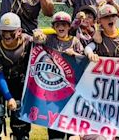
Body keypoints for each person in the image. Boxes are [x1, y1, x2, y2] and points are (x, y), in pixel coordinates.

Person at [34, 11, 84, 139]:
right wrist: (37, 35)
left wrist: (75, 55)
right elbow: (36, 41)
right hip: (54, 89)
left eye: (64, 24)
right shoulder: (49, 39)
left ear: (69, 26)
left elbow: (84, 62)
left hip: (72, 89)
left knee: (73, 129)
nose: (61, 27)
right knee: (55, 126)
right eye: (57, 25)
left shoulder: (75, 41)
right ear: (53, 27)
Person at [0, 12, 32, 140]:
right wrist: (8, 97)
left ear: (19, 31)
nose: (6, 34)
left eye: (10, 31)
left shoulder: (28, 42)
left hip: (18, 81)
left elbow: (44, 44)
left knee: (20, 121)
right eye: (3, 30)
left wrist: (41, 37)